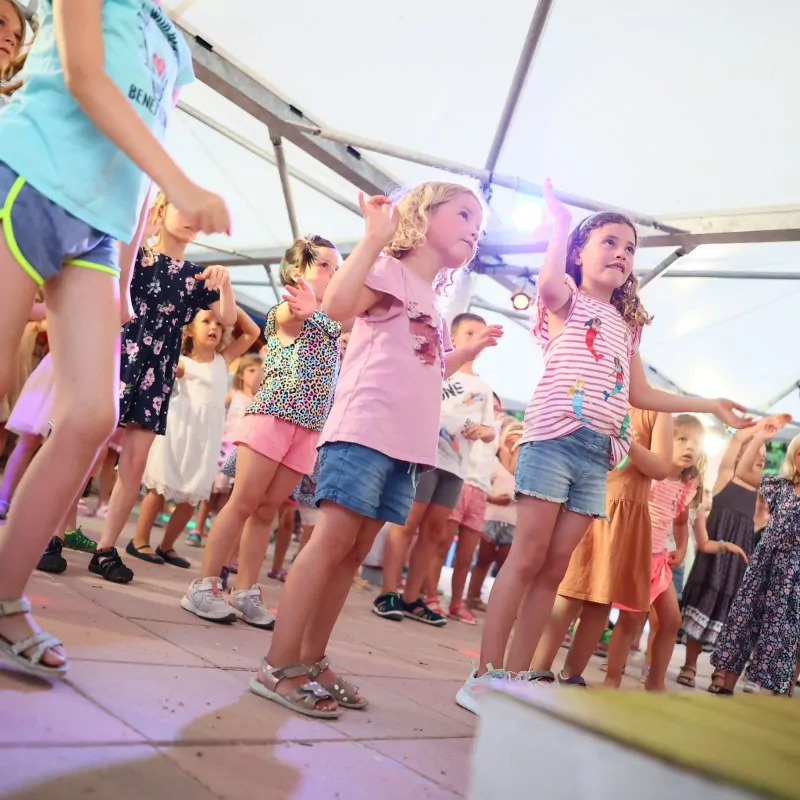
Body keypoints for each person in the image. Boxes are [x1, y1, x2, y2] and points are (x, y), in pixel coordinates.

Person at [455, 179, 752, 715]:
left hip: (599, 455)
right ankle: (484, 673)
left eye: (629, 248)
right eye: (609, 242)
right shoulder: (566, 301)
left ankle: (518, 677)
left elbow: (639, 393)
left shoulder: (627, 326)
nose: (621, 253)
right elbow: (546, 285)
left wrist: (710, 405)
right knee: (526, 559)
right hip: (552, 440)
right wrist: (560, 226)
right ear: (580, 255)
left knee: (554, 569)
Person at [0, 0, 231, 680]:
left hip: (97, 234)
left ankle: (6, 597)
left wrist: (127, 273)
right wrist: (180, 184)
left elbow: (144, 138)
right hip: (26, 179)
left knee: (92, 417)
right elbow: (82, 75)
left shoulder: (174, 44)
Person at [253, 183, 502, 719]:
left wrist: (467, 352)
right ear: (422, 216)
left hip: (404, 447)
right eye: (463, 212)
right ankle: (279, 664)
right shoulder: (387, 268)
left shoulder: (433, 300)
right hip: (364, 430)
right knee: (332, 542)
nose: (474, 227)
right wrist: (371, 240)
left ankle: (313, 659)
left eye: (478, 221)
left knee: (351, 553)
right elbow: (337, 307)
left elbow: (429, 369)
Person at [183, 235, 342, 629]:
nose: (333, 274)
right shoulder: (287, 311)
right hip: (273, 416)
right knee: (243, 502)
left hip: (307, 429)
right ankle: (202, 587)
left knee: (267, 510)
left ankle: (245, 590)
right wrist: (315, 309)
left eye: (337, 269)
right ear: (296, 271)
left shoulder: (332, 318)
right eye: (324, 266)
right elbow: (297, 317)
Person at [90, 193, 236, 583]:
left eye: (196, 216)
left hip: (158, 369)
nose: (191, 219)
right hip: (120, 354)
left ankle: (106, 548)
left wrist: (225, 282)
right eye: (183, 208)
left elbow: (229, 317)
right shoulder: (136, 254)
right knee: (86, 447)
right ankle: (54, 534)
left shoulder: (196, 275)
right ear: (159, 211)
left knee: (134, 464)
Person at [374, 312, 496, 626]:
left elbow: (490, 430)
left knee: (433, 531)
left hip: (457, 467)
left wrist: (483, 432)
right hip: (424, 457)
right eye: (470, 333)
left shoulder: (483, 387)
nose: (477, 340)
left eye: (482, 335)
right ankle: (388, 592)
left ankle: (413, 598)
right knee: (407, 523)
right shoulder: (439, 369)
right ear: (453, 337)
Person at [130, 308, 260, 566]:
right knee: (159, 487)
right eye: (206, 321)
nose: (213, 327)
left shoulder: (223, 360)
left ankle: (167, 546)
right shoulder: (181, 361)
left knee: (194, 494)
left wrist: (228, 307)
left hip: (206, 437)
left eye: (219, 324)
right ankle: (139, 540)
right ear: (191, 329)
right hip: (178, 432)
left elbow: (253, 332)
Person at [676, 414, 790, 691]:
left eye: (764, 457)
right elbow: (738, 437)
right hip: (713, 556)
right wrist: (761, 428)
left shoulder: (762, 492)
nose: (762, 460)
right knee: (702, 602)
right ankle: (689, 664)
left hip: (740, 561)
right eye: (758, 454)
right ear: (743, 454)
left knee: (730, 614)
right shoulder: (727, 477)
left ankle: (720, 671)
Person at [711, 426, 800, 696]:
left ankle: (775, 696)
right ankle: (726, 684)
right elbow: (743, 473)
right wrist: (759, 439)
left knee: (782, 633)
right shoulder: (781, 487)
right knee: (743, 622)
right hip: (763, 566)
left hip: (793, 578)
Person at [189, 353, 264, 547]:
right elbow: (216, 412)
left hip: (241, 452)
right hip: (223, 448)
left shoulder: (261, 401)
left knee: (227, 496)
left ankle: (217, 531)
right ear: (240, 375)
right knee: (211, 492)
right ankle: (197, 528)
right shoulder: (233, 395)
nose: (256, 375)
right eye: (251, 370)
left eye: (259, 371)